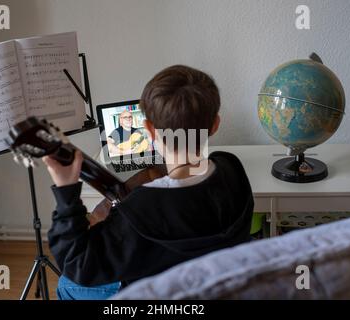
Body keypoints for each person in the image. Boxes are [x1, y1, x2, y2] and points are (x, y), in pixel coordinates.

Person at [44, 65, 254, 300]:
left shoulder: (141, 206)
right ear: (215, 124)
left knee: (66, 284)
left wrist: (65, 190)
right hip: (216, 285)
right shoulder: (231, 168)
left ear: (149, 131)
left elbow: (76, 264)